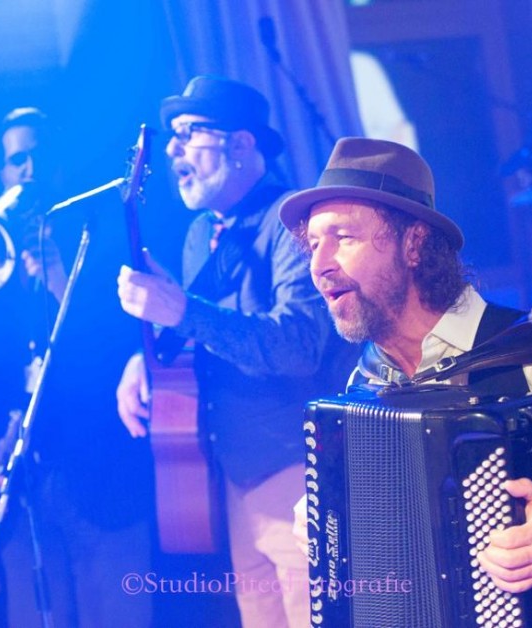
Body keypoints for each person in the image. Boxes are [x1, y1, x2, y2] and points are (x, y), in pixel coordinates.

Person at [278, 137, 532, 595]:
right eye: (313, 244)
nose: (320, 265)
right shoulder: (367, 380)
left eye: (344, 238)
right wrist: (324, 513)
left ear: (413, 244)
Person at [115, 76, 358, 628]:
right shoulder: (202, 232)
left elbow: (297, 347)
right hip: (235, 473)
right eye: (172, 137)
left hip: (298, 470)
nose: (173, 150)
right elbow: (206, 333)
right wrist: (145, 357)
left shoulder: (293, 222)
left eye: (189, 133)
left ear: (241, 144)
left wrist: (182, 311)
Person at [0, 107, 153, 627]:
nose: (30, 169)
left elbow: (134, 347)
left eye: (40, 155)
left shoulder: (109, 234)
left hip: (102, 474)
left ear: (62, 165)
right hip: (22, 486)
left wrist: (63, 284)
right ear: (2, 174)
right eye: (18, 159)